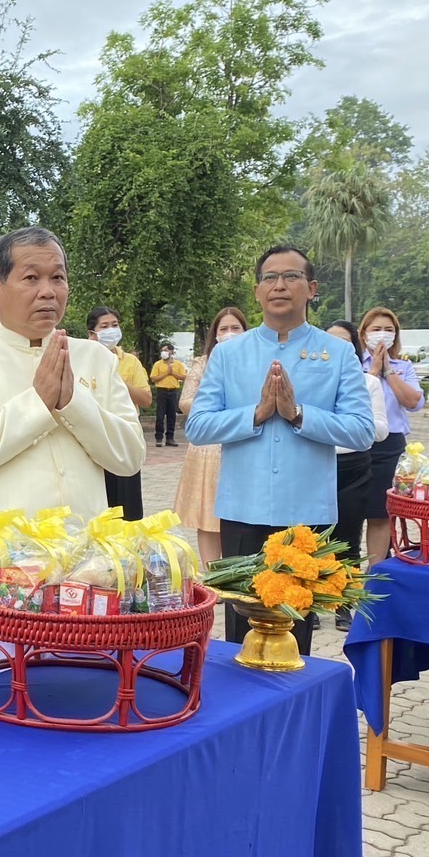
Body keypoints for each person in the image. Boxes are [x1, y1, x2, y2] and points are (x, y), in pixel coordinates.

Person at [186, 246, 373, 655]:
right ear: (257, 291)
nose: (279, 285)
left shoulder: (337, 353)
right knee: (241, 630)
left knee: (294, 633)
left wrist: (297, 414)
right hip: (243, 509)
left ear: (312, 288)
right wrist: (254, 414)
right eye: (269, 278)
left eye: (291, 276)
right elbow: (197, 427)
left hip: (305, 515)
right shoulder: (229, 353)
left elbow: (362, 430)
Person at [0, 227, 145, 531]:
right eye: (31, 278)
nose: (48, 291)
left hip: (85, 549)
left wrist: (73, 403)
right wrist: (36, 404)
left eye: (57, 277)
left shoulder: (95, 357)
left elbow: (130, 458)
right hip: (2, 552)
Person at [326, 320, 390, 631]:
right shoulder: (308, 382)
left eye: (344, 342)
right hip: (313, 465)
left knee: (347, 539)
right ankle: (307, 605)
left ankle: (343, 603)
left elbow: (379, 430)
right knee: (308, 536)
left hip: (353, 466)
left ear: (354, 348)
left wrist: (343, 423)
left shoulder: (368, 383)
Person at [173, 307, 247, 566]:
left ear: (246, 331)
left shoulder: (255, 362)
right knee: (207, 515)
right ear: (214, 334)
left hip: (241, 443)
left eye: (235, 328)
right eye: (223, 329)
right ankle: (212, 573)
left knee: (240, 515)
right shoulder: (203, 363)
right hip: (208, 446)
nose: (229, 333)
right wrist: (216, 409)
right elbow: (185, 402)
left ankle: (237, 572)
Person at [358, 306, 423, 567]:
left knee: (380, 512)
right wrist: (373, 371)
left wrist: (388, 370)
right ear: (364, 334)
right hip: (356, 443)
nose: (382, 334)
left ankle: (375, 575)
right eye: (376, 329)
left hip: (390, 446)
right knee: (350, 512)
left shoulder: (403, 366)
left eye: (388, 330)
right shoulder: (352, 364)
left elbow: (413, 402)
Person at [87, 307, 152, 519]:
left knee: (127, 506)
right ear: (92, 333)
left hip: (124, 438)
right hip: (93, 438)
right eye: (104, 326)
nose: (111, 330)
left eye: (114, 325)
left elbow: (146, 399)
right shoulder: (83, 360)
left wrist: (117, 381)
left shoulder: (130, 362)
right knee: (100, 507)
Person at [149, 341, 187, 448]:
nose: (163, 352)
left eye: (166, 350)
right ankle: (159, 438)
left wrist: (173, 373)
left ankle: (170, 438)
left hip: (173, 392)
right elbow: (153, 378)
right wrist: (166, 373)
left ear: (171, 352)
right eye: (162, 350)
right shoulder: (158, 364)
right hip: (162, 391)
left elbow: (184, 377)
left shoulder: (178, 364)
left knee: (172, 416)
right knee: (160, 416)